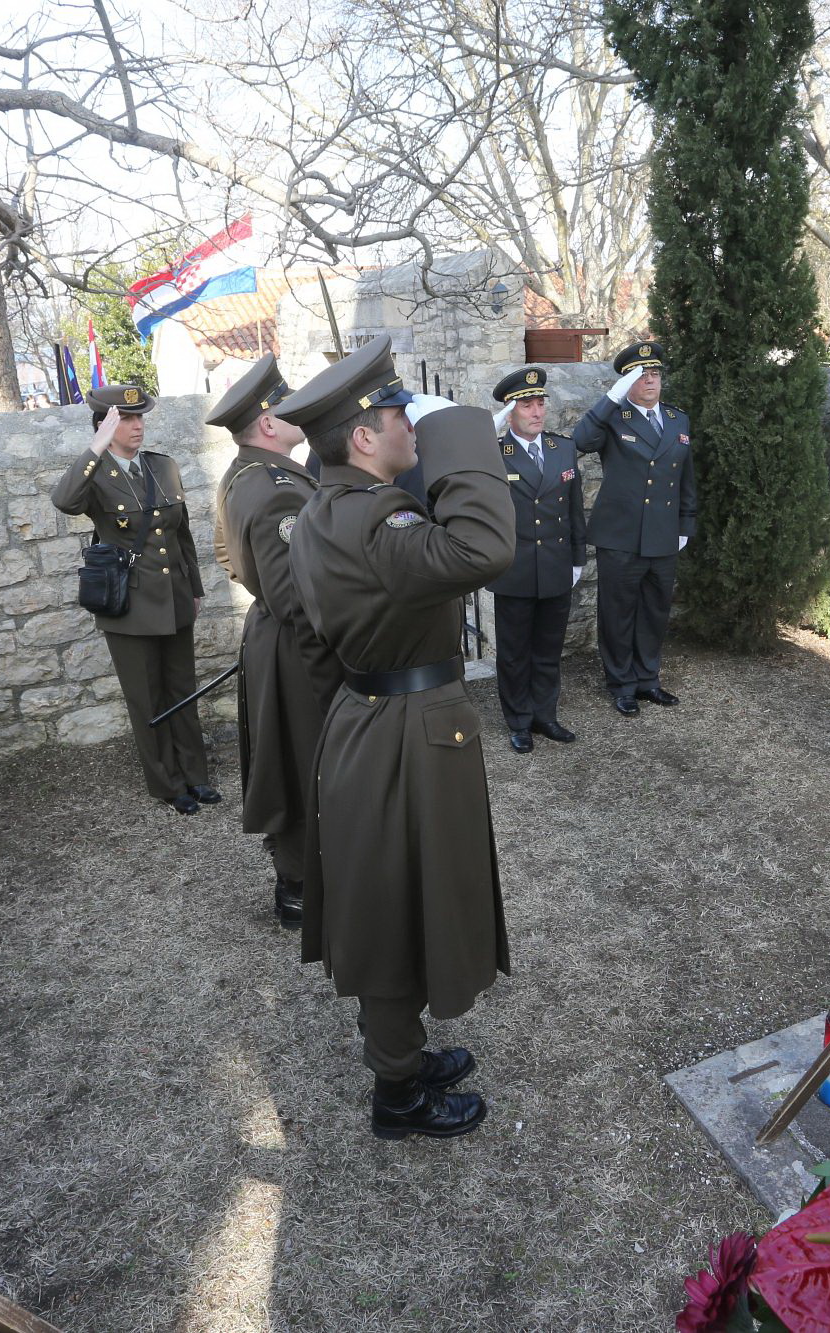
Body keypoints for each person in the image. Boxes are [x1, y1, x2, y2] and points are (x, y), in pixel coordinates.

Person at [277, 336, 511, 1141]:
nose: (409, 422)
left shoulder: (323, 511)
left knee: (400, 898)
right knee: (396, 910)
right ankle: (398, 1091)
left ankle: (400, 1047)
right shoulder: (378, 516)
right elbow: (483, 547)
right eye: (396, 412)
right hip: (404, 731)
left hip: (373, 720)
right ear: (364, 439)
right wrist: (459, 429)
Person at [208, 354, 340, 928]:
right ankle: (298, 887)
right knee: (303, 761)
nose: (297, 415)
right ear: (267, 422)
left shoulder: (249, 472)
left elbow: (235, 562)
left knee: (291, 757)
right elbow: (296, 599)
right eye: (286, 407)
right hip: (295, 648)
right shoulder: (276, 489)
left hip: (274, 637)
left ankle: (300, 877)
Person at [51, 383, 216, 815]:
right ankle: (168, 783)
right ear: (105, 425)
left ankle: (196, 775)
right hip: (130, 605)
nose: (137, 425)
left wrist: (195, 588)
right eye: (126, 419)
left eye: (140, 417)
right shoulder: (96, 475)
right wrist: (96, 447)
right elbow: (64, 501)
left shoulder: (164, 467)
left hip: (176, 597)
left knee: (182, 689)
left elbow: (182, 535)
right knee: (147, 697)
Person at [570, 341, 697, 717]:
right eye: (641, 376)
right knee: (618, 612)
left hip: (663, 534)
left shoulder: (677, 420)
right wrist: (611, 397)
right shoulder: (614, 417)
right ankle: (621, 684)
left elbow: (685, 477)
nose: (651, 381)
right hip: (621, 536)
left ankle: (648, 679)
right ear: (627, 384)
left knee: (655, 610)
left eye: (655, 374)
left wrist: (685, 524)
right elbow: (580, 440)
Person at [487, 367, 586, 753]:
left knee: (548, 648)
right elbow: (466, 473)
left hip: (556, 566)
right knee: (514, 654)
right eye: (526, 404)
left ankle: (545, 715)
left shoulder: (563, 448)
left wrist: (577, 557)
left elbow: (575, 509)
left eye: (540, 403)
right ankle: (519, 721)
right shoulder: (495, 453)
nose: (536, 411)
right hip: (514, 569)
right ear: (510, 411)